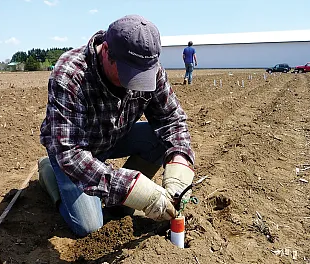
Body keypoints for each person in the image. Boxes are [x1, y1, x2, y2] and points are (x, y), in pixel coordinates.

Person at [38, 14, 195, 237]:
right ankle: (49, 174)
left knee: (158, 139)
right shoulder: (70, 74)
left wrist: (180, 160)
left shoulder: (149, 67)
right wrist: (133, 188)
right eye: (129, 75)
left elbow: (171, 119)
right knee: (90, 227)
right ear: (107, 52)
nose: (135, 84)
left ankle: (121, 203)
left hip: (115, 136)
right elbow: (70, 153)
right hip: (75, 153)